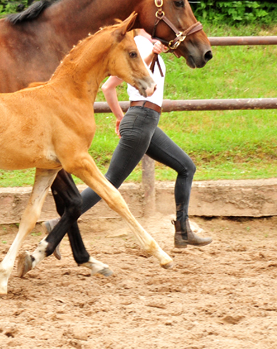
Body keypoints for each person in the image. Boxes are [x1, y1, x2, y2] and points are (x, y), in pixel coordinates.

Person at [45, 29, 212, 253]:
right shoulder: (141, 46)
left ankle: (182, 231)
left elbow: (109, 87)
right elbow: (112, 83)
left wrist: (120, 117)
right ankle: (58, 225)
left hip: (145, 122)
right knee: (110, 181)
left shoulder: (149, 45)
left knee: (186, 167)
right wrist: (152, 54)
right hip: (141, 121)